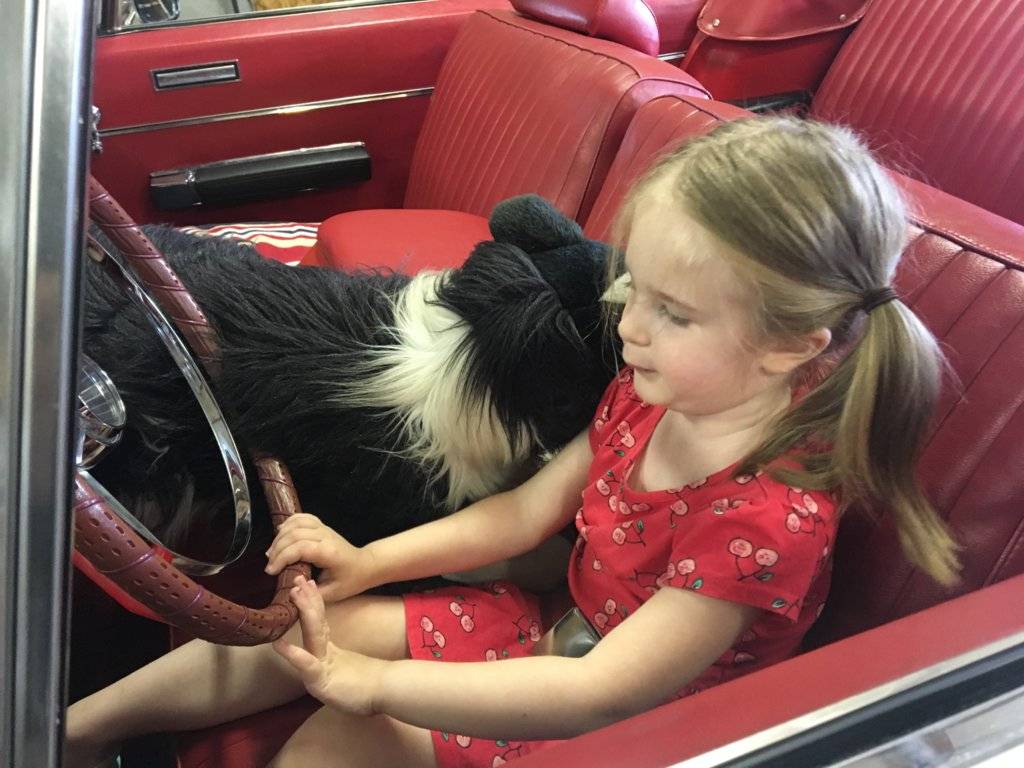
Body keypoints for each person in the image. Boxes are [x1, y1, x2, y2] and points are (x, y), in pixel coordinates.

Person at [65, 115, 960, 768]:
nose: (628, 325)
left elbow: (602, 692)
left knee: (341, 736)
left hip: (628, 723)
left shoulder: (764, 523)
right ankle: (73, 732)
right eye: (633, 290)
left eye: (672, 311)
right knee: (312, 626)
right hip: (557, 629)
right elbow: (526, 512)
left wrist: (375, 687)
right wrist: (367, 562)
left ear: (787, 346)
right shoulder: (651, 392)